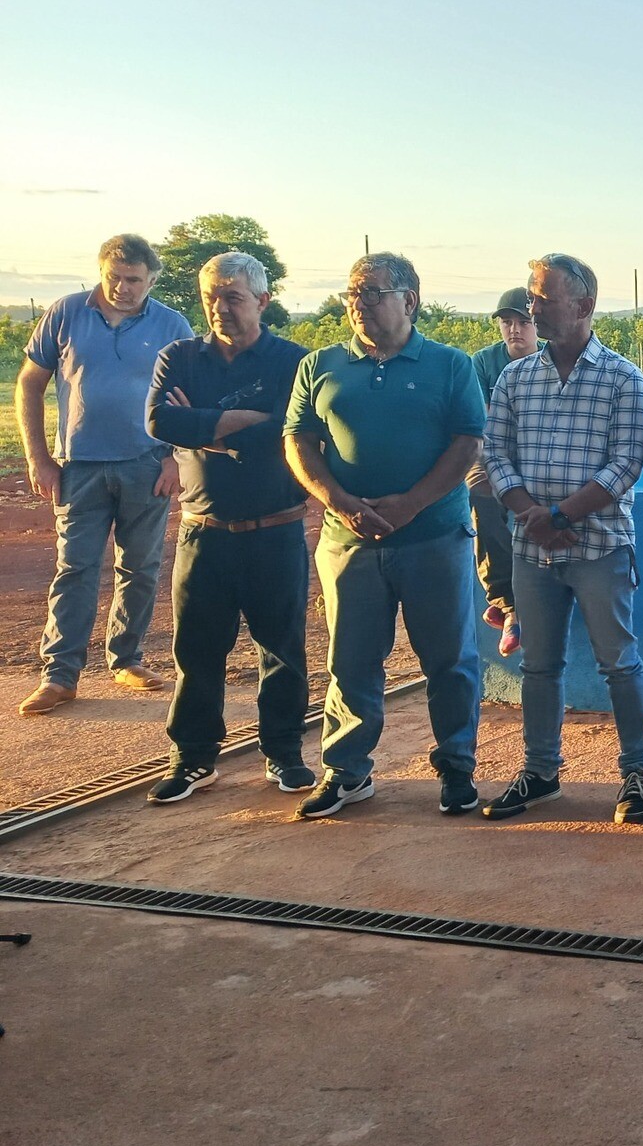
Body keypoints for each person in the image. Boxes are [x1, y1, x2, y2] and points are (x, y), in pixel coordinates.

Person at [283, 252, 486, 819]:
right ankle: (347, 771)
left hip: (435, 539)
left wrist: (410, 505)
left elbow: (468, 442)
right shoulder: (320, 365)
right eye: (352, 292)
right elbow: (297, 441)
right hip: (347, 543)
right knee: (349, 661)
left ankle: (457, 767)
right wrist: (340, 503)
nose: (358, 303)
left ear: (409, 300)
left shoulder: (450, 365)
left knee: (449, 660)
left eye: (372, 292)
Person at [479, 254, 643, 826]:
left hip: (599, 549)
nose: (532, 308)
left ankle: (637, 772)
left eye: (543, 298)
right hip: (533, 551)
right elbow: (495, 455)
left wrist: (557, 514)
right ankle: (541, 772)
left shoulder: (623, 378)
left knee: (619, 664)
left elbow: (626, 464)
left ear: (583, 306)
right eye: (532, 298)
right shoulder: (515, 377)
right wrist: (532, 514)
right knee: (539, 665)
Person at [143, 252, 314, 801]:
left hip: (276, 529)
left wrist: (205, 426)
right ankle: (193, 759)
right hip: (204, 532)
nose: (220, 308)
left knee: (283, 650)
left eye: (233, 297)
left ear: (263, 301)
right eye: (211, 296)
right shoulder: (180, 356)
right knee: (196, 650)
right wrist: (249, 421)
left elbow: (298, 431)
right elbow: (159, 421)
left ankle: (284, 755)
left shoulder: (293, 361)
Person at [16, 234, 191, 714]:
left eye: (134, 280)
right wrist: (38, 458)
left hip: (147, 465)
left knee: (140, 567)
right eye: (114, 277)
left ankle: (126, 659)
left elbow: (187, 396)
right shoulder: (66, 313)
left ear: (151, 280)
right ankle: (60, 674)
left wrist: (176, 457)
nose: (123, 288)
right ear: (101, 271)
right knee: (75, 568)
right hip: (79, 465)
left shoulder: (171, 323)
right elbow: (29, 385)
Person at [470, 287, 539, 658]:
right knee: (480, 488)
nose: (514, 330)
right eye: (506, 322)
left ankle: (545, 589)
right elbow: (483, 421)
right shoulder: (483, 362)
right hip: (494, 451)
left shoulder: (552, 358)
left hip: (541, 452)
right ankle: (508, 601)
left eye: (523, 322)